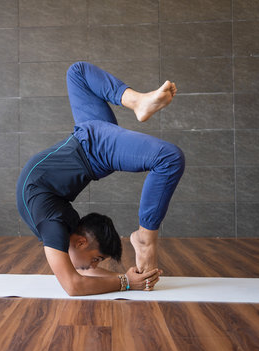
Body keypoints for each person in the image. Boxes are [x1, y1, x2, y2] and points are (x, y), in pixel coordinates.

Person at [16, 62, 185, 296]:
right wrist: (127, 280)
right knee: (78, 72)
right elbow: (83, 274)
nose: (94, 265)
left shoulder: (53, 226)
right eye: (98, 260)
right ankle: (136, 101)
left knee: (169, 158)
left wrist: (126, 283)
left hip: (93, 147)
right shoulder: (66, 227)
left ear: (82, 242)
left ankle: (145, 239)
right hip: (89, 137)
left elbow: (74, 286)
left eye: (96, 259)